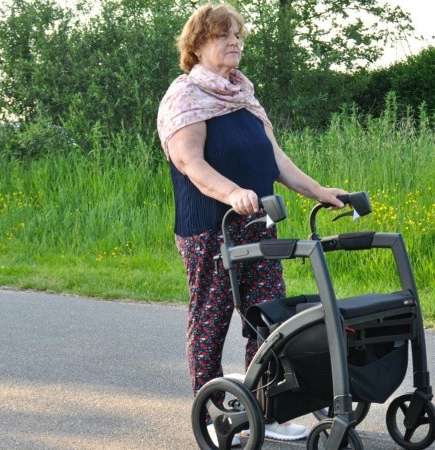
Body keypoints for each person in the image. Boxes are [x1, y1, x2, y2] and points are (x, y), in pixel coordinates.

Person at [157, 3, 346, 443]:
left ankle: (266, 409)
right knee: (211, 317)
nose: (234, 42)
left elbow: (276, 160)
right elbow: (191, 162)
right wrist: (233, 194)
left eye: (238, 35)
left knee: (267, 319)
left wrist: (320, 191)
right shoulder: (185, 96)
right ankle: (211, 413)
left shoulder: (243, 95)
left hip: (257, 223)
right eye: (223, 35)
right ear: (198, 44)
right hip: (211, 227)